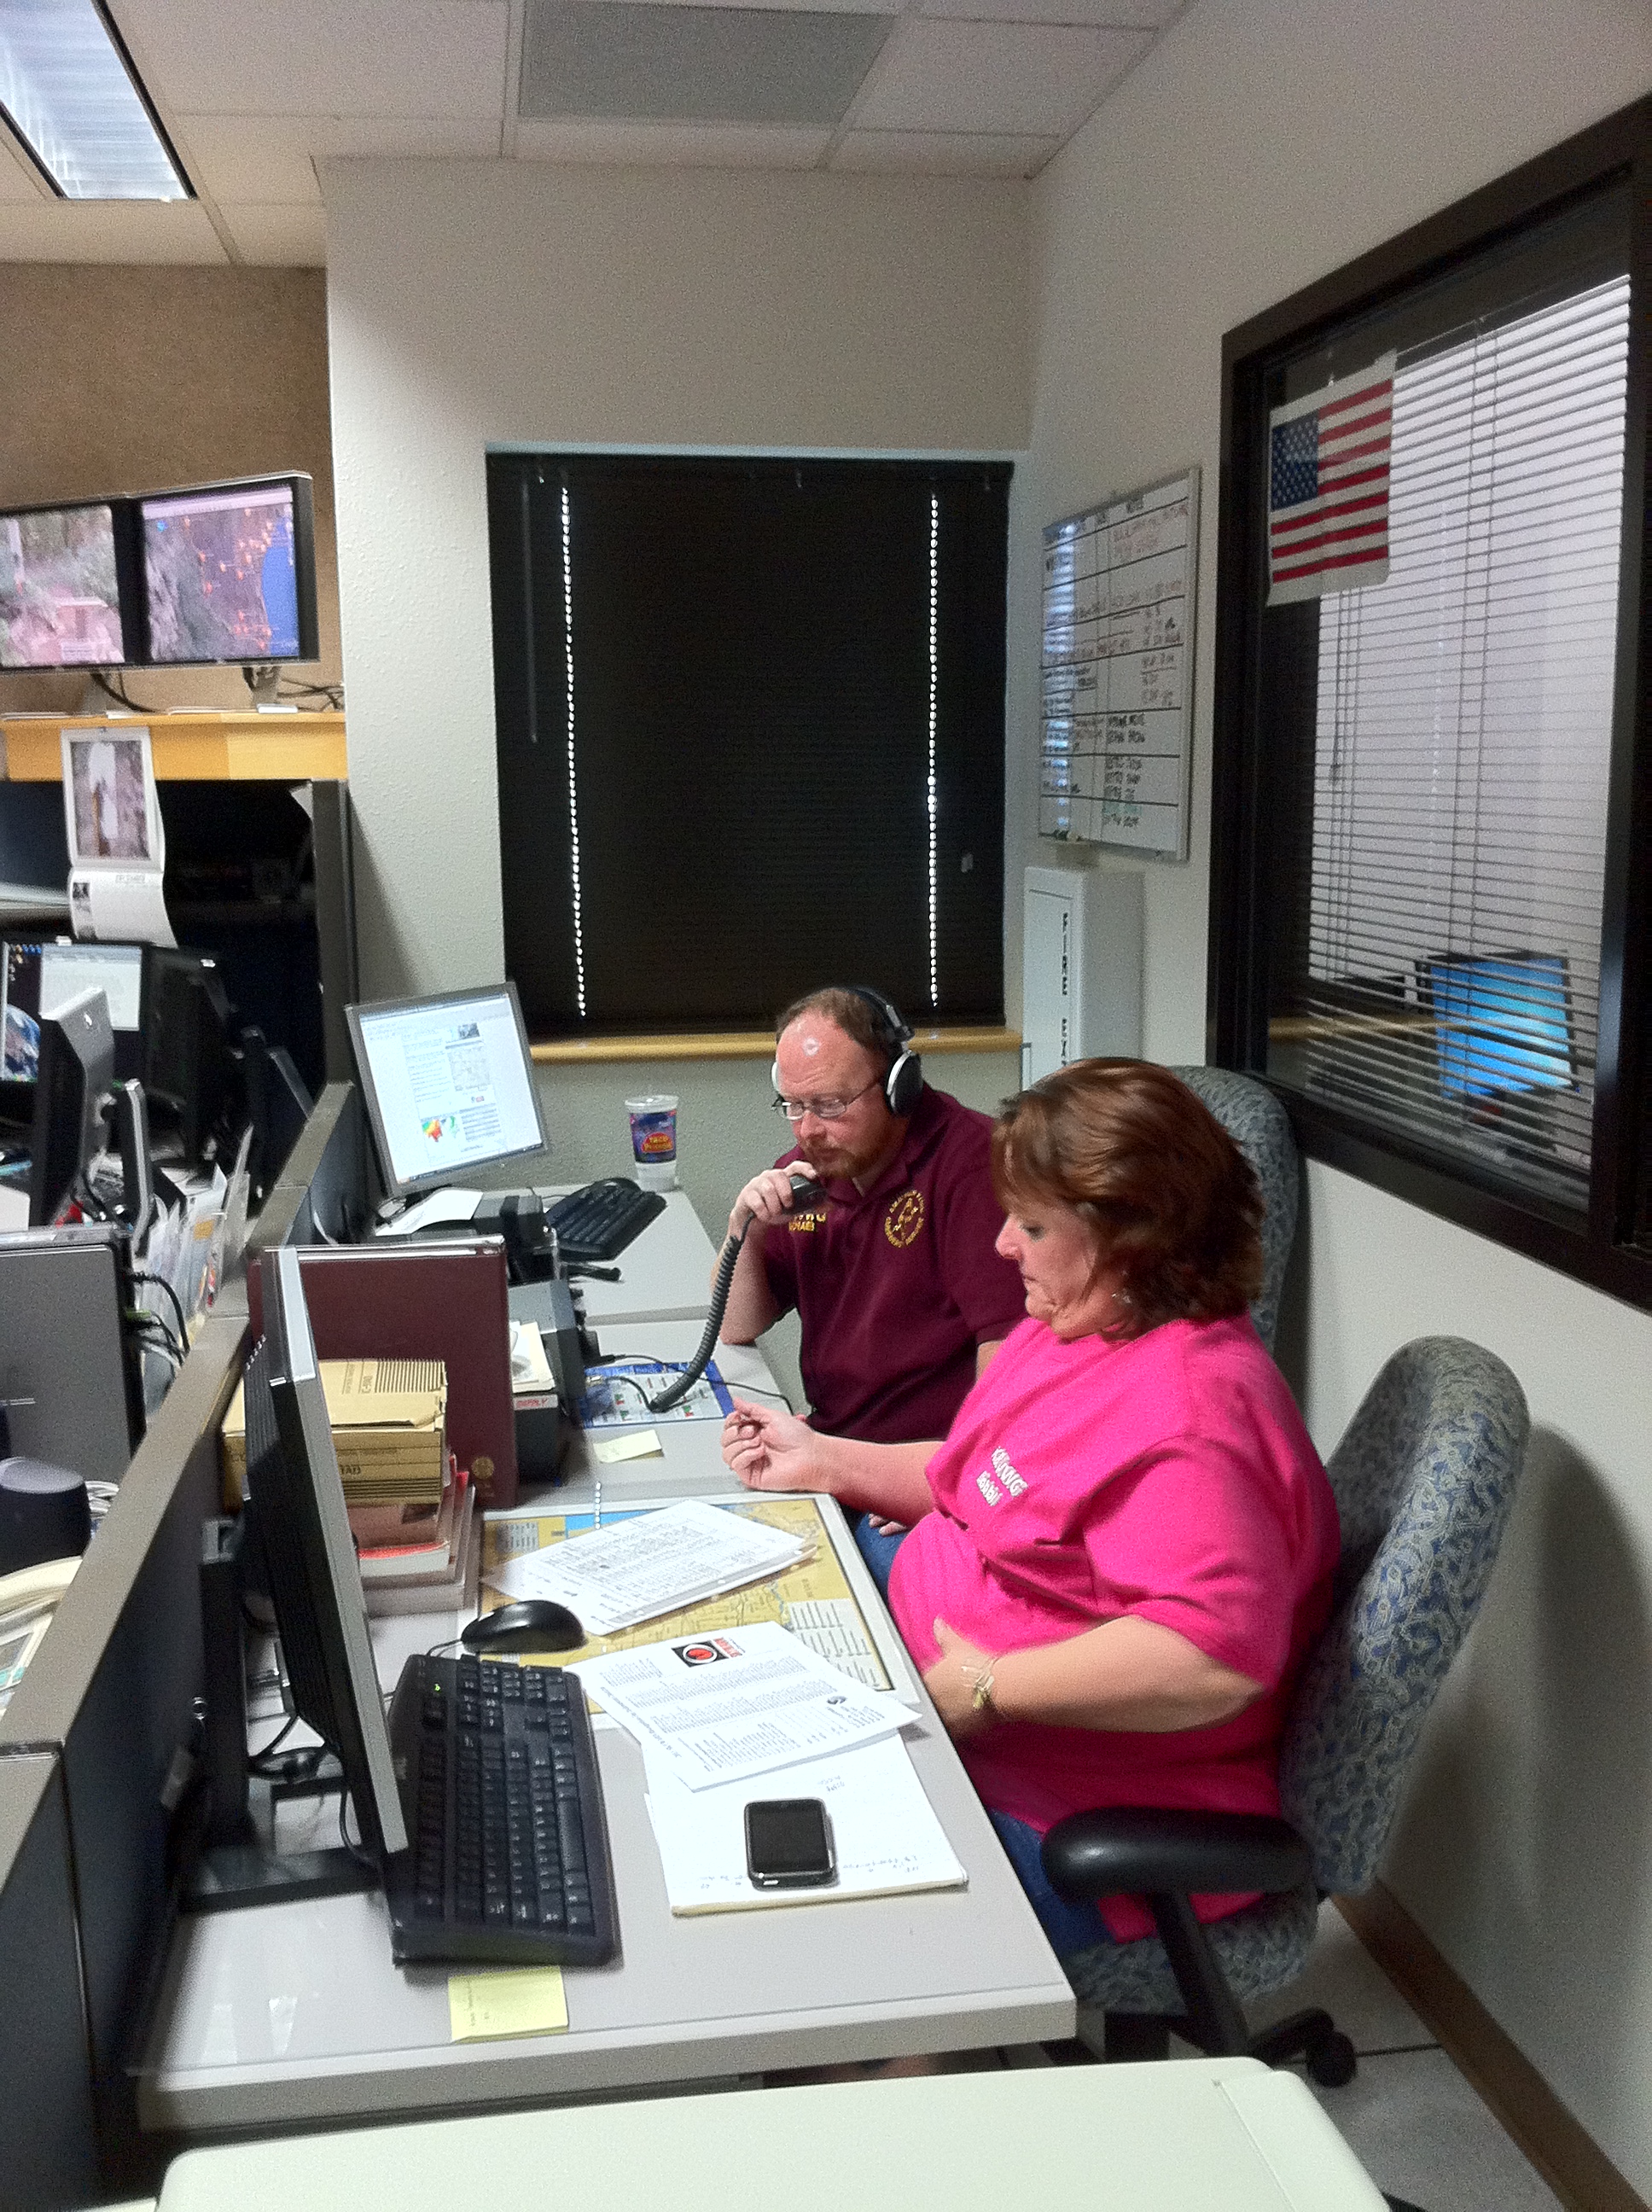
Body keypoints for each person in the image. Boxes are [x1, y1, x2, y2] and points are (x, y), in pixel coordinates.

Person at [721, 1057, 1341, 1964]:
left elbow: (1206, 1658)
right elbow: (981, 1479)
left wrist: (984, 1688)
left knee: (827, 1952)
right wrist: (825, 1462)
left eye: (1034, 1224)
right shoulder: (1077, 1325)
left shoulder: (1194, 1415)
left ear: (1134, 1239)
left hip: (1065, 1796)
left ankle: (911, 2069)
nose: (1004, 1244)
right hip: (935, 1677)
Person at [718, 986, 1027, 1445]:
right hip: (837, 1443)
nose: (808, 1130)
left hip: (923, 1462)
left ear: (899, 1087)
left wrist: (943, 1483)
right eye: (794, 1106)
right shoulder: (811, 1169)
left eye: (830, 1106)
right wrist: (746, 1228)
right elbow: (735, 1326)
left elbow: (1008, 1366)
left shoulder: (973, 1167)